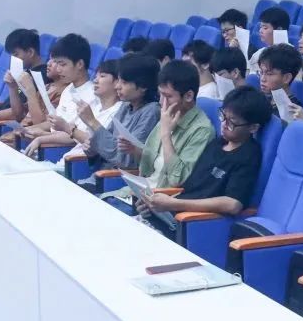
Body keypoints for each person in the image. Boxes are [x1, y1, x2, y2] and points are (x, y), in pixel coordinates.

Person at [135, 87, 270, 239]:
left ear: (253, 128)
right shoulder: (217, 144)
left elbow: (233, 204)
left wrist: (172, 204)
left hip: (192, 225)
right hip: (172, 216)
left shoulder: (248, 155)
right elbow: (191, 189)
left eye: (232, 123)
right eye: (223, 116)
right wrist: (153, 203)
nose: (223, 124)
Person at [120, 60, 214, 190]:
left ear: (188, 96)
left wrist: (165, 135)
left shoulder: (202, 130)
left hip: (163, 197)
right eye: (160, 95)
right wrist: (134, 150)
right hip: (143, 188)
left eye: (168, 96)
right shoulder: (168, 115)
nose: (161, 102)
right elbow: (154, 164)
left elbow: (177, 179)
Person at [24, 59, 122, 166]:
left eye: (102, 76)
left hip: (78, 164)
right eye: (96, 76)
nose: (95, 80)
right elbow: (76, 136)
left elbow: (90, 142)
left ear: (117, 83)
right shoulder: (95, 107)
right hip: (65, 160)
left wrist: (44, 136)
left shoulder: (118, 112)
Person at [83, 53, 161, 174]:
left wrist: (92, 122)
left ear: (143, 86)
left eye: (124, 82)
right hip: (100, 174)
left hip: (116, 178)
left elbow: (126, 160)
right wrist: (91, 149)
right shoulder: (126, 105)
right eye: (118, 80)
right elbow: (105, 142)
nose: (117, 87)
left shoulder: (151, 111)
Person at [22, 34, 94, 140]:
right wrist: (27, 129)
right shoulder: (68, 90)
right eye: (57, 64)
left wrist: (41, 136)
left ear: (79, 64)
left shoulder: (92, 96)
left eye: (63, 64)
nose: (59, 69)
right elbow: (54, 124)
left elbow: (78, 138)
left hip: (60, 147)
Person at [0, 29, 45, 125]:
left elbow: (18, 113)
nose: (12, 60)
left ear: (30, 52)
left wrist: (12, 87)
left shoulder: (40, 77)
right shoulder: (26, 74)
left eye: (16, 55)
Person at [257, 44, 303, 122]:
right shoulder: (261, 100)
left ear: (287, 78)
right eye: (261, 72)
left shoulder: (294, 113)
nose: (262, 79)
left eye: (269, 74)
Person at [246, 7, 291, 74]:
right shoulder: (259, 53)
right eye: (260, 27)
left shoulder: (291, 54)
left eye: (265, 28)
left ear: (279, 30)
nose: (260, 31)